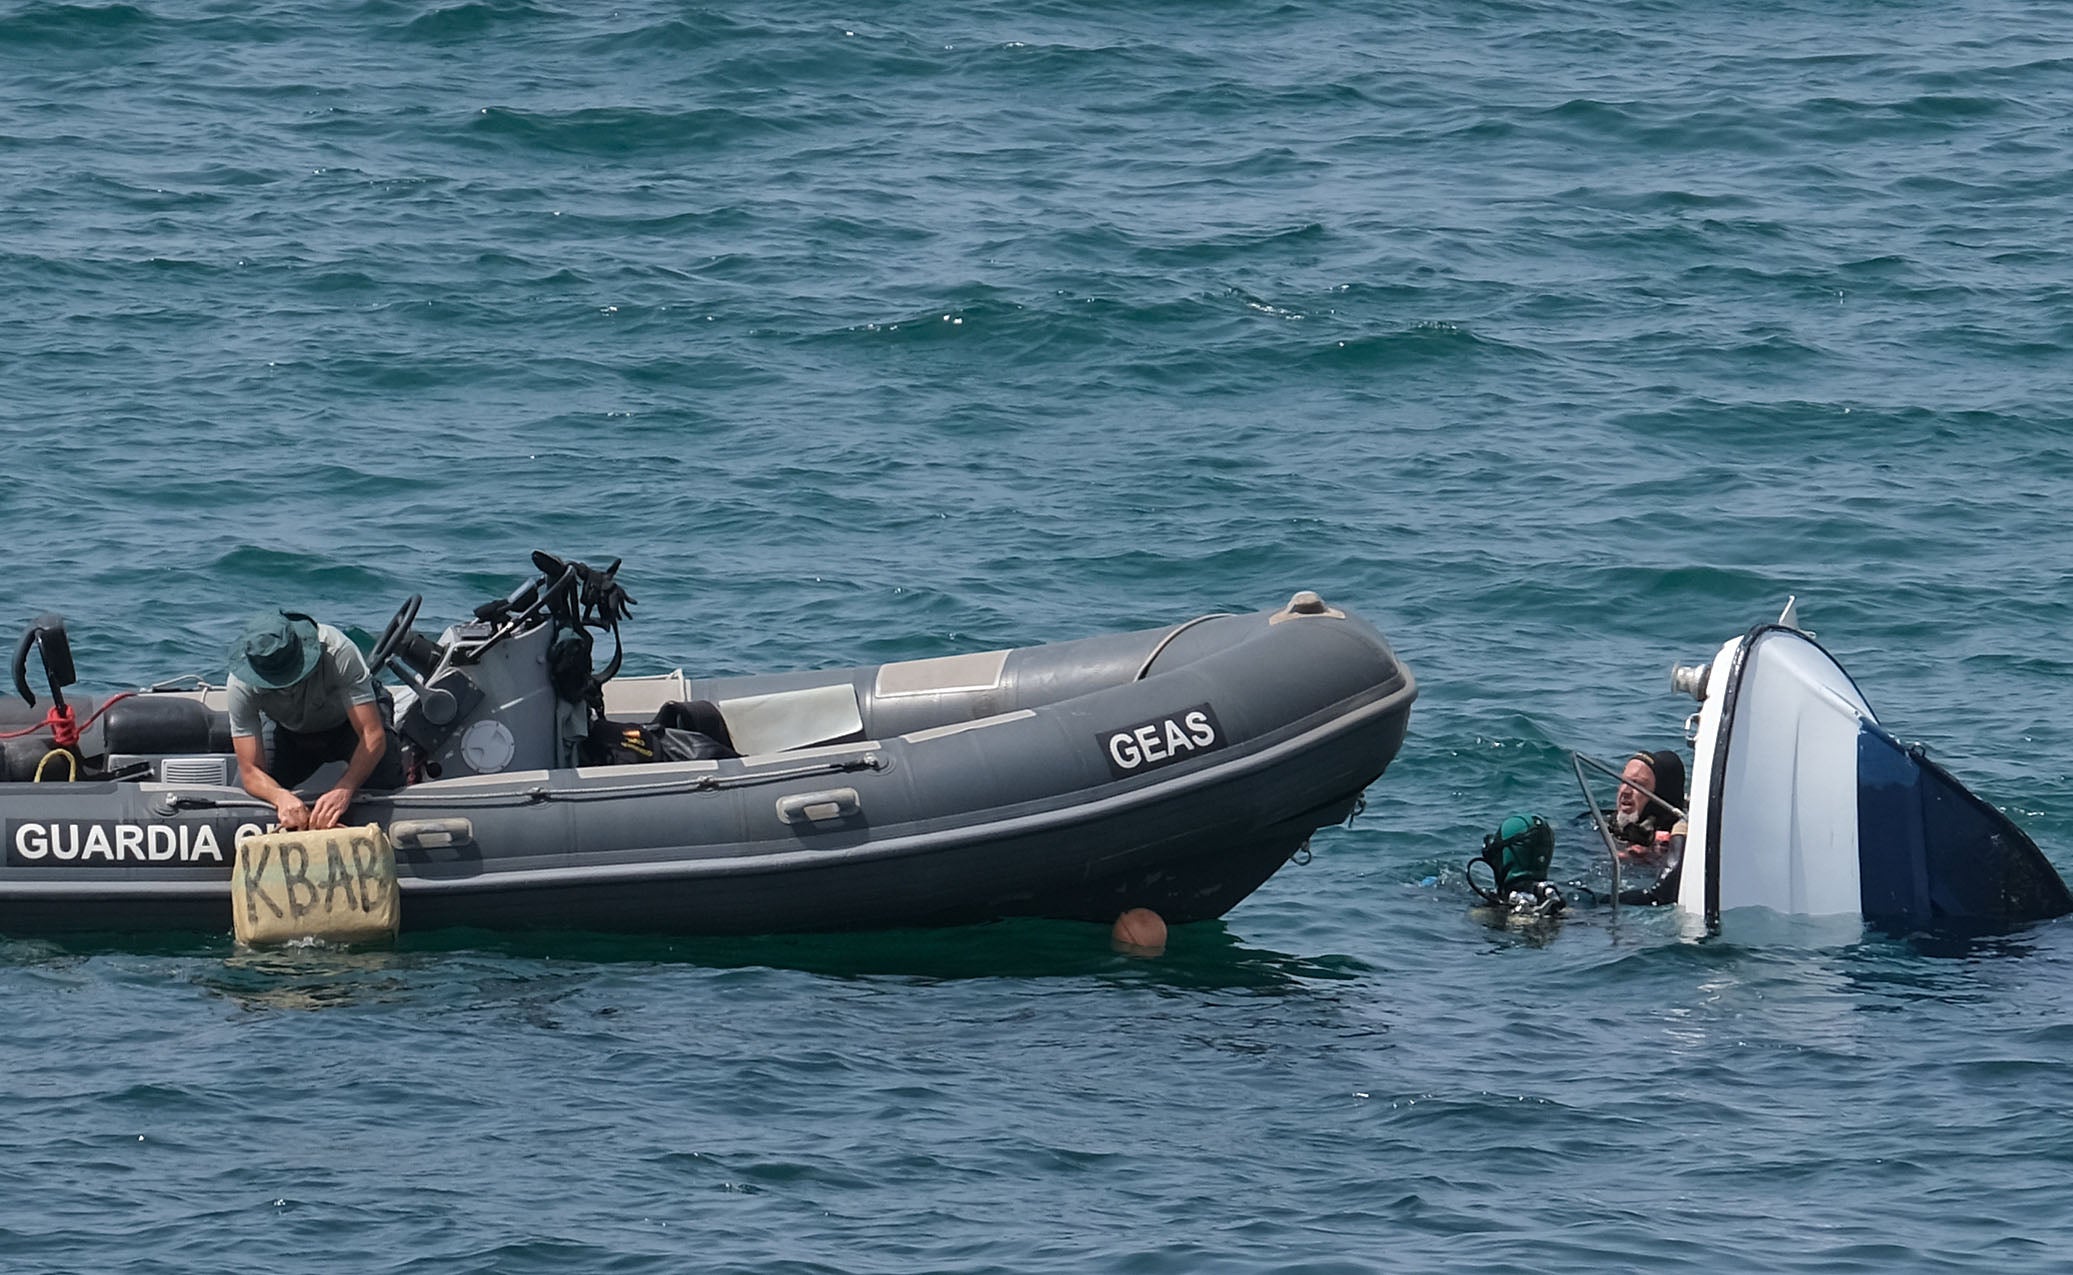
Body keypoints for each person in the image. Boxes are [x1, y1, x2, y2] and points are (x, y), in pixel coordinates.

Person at [227, 610, 404, 832]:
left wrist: (345, 789)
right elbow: (251, 770)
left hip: (348, 725)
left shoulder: (338, 651)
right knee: (243, 801)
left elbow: (372, 734)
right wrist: (279, 796)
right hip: (289, 733)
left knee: (385, 772)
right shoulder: (239, 686)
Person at [1609, 748, 1687, 905]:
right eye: (1624, 781)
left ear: (1660, 795)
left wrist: (1653, 856)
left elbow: (1663, 895)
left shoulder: (1670, 842)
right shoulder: (1598, 823)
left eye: (1638, 785)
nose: (1625, 791)